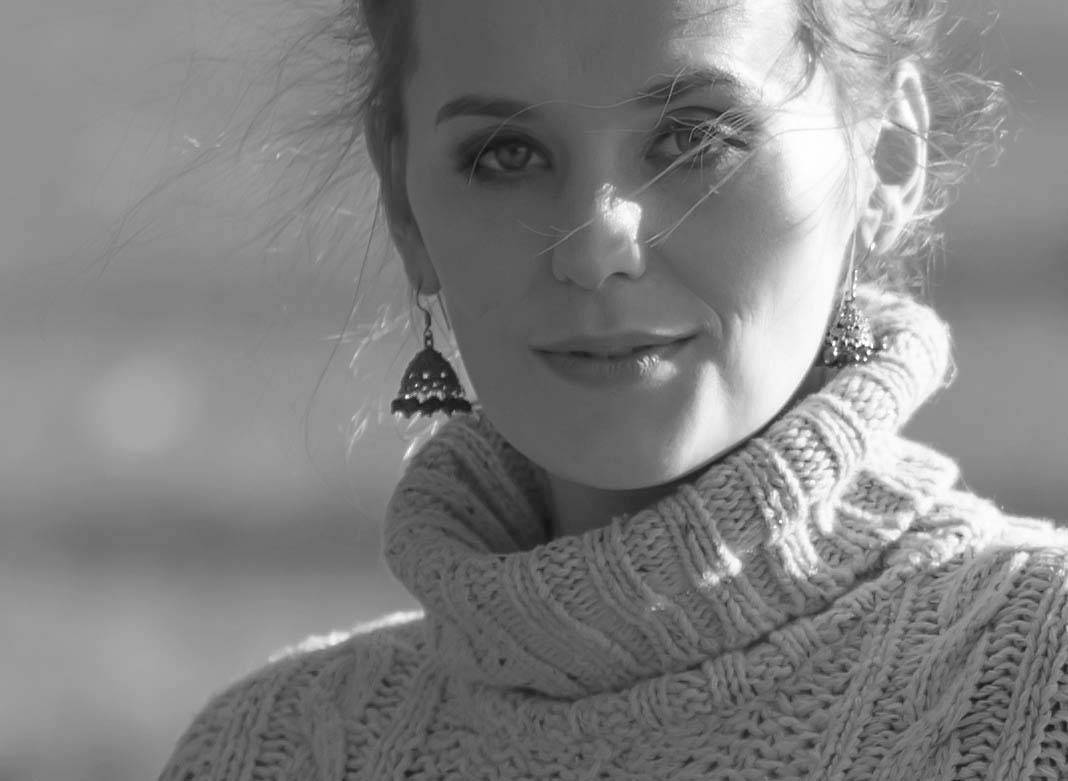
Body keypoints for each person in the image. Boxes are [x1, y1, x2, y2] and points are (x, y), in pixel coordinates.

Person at [158, 1, 1068, 778]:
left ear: (888, 158)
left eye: (692, 138)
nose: (595, 247)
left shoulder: (1043, 676)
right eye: (506, 154)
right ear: (403, 200)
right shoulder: (269, 752)